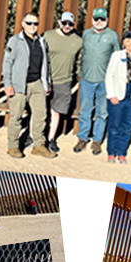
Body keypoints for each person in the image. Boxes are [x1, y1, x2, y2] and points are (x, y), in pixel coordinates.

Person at [2, 11, 55, 159]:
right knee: (16, 117)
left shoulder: (41, 41)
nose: (33, 26)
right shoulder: (14, 41)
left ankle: (39, 145)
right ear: (23, 24)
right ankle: (13, 147)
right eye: (29, 23)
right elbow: (7, 63)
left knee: (40, 115)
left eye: (35, 23)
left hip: (37, 83)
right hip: (19, 85)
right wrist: (7, 83)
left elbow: (46, 64)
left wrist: (47, 83)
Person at [73, 7, 121, 155]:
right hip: (87, 78)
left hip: (104, 81)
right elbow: (80, 53)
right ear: (92, 19)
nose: (99, 22)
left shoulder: (113, 36)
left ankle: (97, 140)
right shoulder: (86, 34)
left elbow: (117, 57)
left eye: (102, 19)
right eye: (96, 19)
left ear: (106, 20)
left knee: (102, 111)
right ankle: (82, 138)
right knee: (85, 109)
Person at [104, 31, 131, 163]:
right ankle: (111, 152)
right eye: (128, 41)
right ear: (124, 42)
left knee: (128, 125)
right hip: (118, 93)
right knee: (114, 124)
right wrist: (111, 95)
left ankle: (122, 152)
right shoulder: (116, 55)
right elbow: (109, 76)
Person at [43, 11, 83, 154]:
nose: (67, 26)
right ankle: (34, 136)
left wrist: (78, 81)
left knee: (56, 112)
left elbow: (78, 62)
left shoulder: (78, 41)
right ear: (59, 22)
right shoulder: (47, 36)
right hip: (45, 79)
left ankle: (51, 139)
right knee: (40, 110)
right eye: (64, 23)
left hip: (64, 81)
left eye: (70, 24)